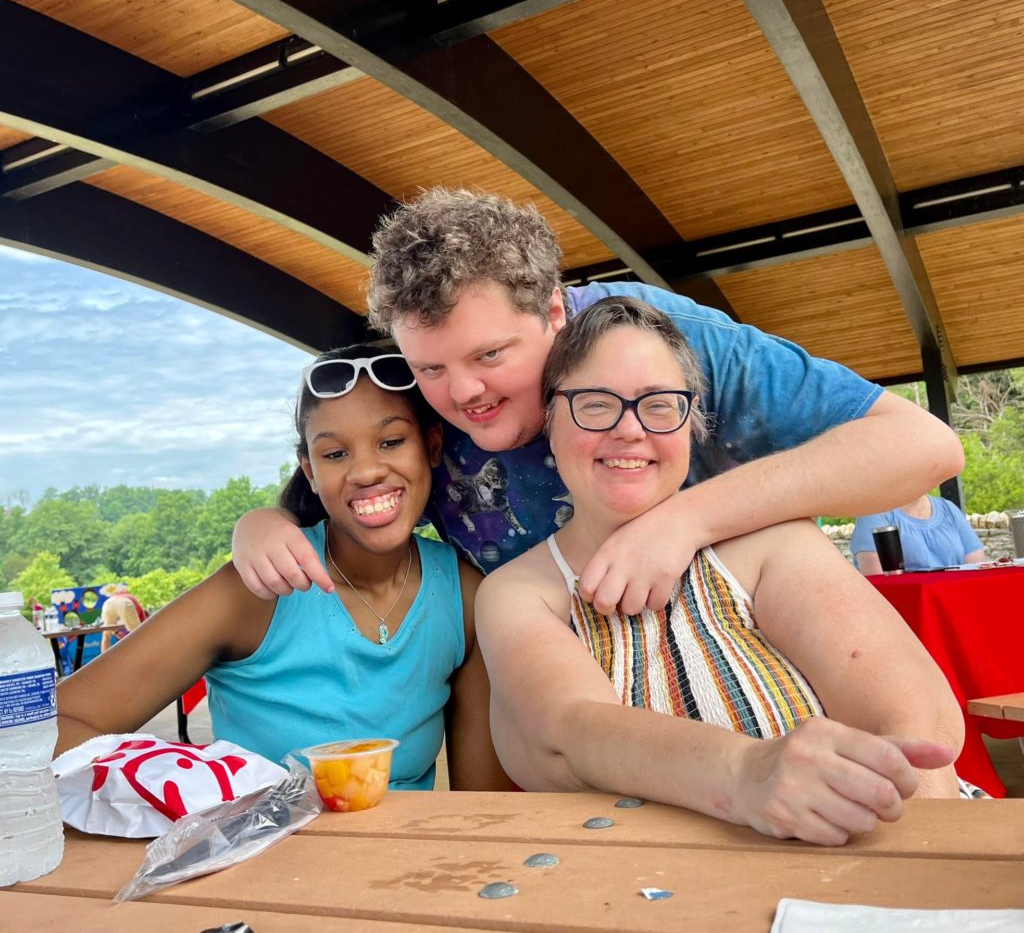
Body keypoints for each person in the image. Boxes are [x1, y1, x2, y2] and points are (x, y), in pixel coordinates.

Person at [232, 188, 964, 613]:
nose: (462, 394)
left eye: (490, 356)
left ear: (554, 312)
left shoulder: (655, 342)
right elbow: (330, 495)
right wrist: (261, 524)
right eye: (430, 367)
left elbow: (922, 447)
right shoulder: (418, 394)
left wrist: (683, 523)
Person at [475, 297, 968, 847]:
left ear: (692, 423)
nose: (629, 429)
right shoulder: (518, 591)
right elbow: (570, 728)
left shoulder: (774, 543)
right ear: (550, 420)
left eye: (660, 405)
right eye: (594, 404)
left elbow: (917, 724)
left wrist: (914, 867)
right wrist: (746, 772)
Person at [57, 345, 510, 793]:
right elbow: (57, 725)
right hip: (257, 841)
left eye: (391, 442)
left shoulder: (465, 596)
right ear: (309, 472)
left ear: (432, 446)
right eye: (335, 454)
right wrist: (186, 795)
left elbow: (483, 805)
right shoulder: (261, 587)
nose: (366, 471)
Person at [850, 494, 986, 574]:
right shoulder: (874, 512)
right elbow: (878, 581)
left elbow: (978, 570)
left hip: (954, 602)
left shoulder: (949, 509)